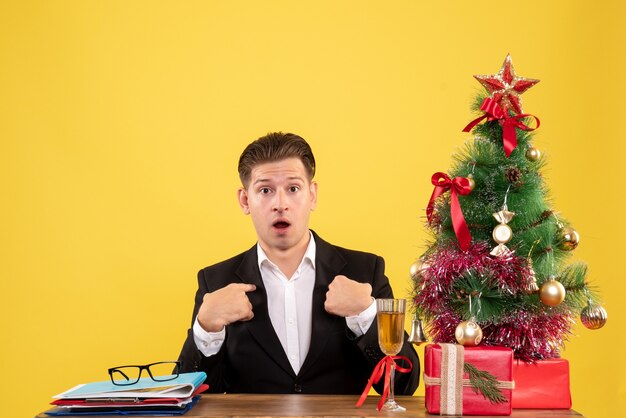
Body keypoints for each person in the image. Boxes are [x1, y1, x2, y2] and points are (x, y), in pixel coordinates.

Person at [177, 132, 419, 394]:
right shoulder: (215, 282)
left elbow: (404, 386)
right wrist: (205, 328)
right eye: (265, 190)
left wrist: (365, 313)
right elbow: (186, 394)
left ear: (312, 195)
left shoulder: (365, 272)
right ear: (245, 200)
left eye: (293, 189)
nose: (280, 204)